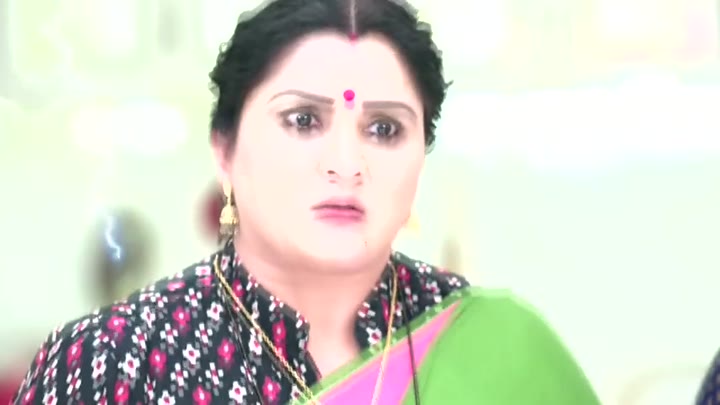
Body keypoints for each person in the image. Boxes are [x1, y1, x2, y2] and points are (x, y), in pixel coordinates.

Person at [12, 0, 600, 404]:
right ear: (224, 151)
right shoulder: (114, 362)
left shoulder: (500, 350)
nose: (346, 163)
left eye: (384, 129)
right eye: (302, 120)